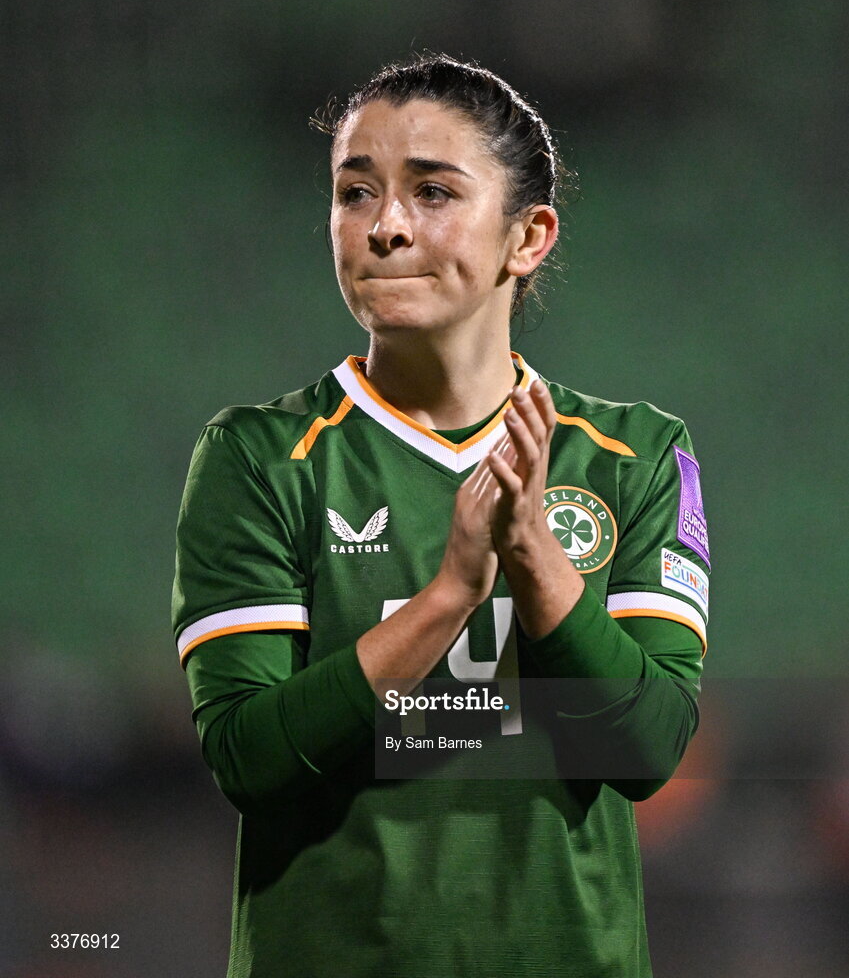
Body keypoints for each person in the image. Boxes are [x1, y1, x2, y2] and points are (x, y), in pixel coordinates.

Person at [172, 54, 710, 978]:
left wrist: (532, 554)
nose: (383, 226)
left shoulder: (634, 455)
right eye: (354, 192)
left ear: (528, 236)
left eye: (431, 192)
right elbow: (248, 759)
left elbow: (647, 748)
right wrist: (450, 595)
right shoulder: (260, 454)